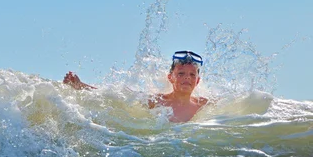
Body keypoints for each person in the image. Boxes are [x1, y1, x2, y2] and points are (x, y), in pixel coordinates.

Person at [63, 50, 208, 123]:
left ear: (198, 81)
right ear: (170, 77)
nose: (187, 78)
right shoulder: (157, 101)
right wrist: (80, 86)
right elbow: (116, 98)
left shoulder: (203, 104)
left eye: (192, 75)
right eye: (181, 73)